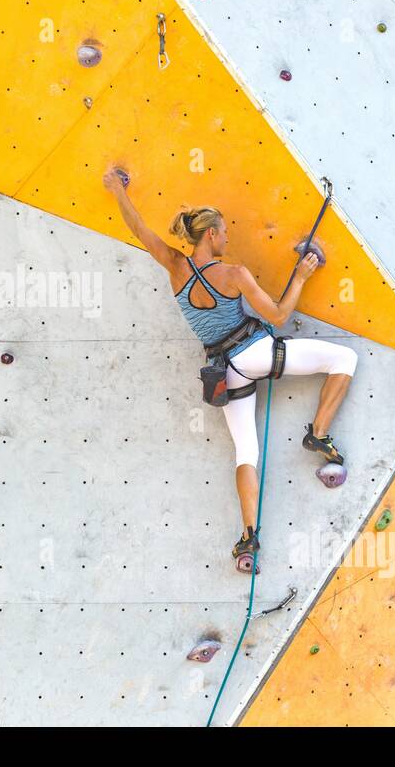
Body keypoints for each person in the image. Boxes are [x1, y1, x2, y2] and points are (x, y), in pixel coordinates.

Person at [103, 168, 357, 567]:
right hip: (253, 353)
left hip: (223, 372)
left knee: (246, 451)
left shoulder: (175, 269)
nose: (226, 237)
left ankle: (248, 539)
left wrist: (117, 189)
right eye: (223, 231)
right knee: (345, 359)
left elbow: (140, 231)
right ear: (210, 235)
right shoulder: (233, 274)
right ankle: (319, 434)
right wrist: (302, 277)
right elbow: (278, 313)